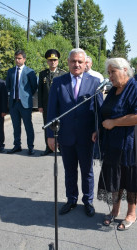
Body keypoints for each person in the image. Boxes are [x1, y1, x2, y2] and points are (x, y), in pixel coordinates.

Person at [95, 57, 137, 230]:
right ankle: (115, 210)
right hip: (113, 142)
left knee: (130, 178)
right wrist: (100, 129)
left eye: (113, 72)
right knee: (114, 177)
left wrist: (114, 123)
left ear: (125, 70)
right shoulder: (113, 90)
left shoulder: (135, 88)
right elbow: (106, 113)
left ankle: (131, 214)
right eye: (108, 72)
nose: (109, 76)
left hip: (131, 143)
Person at [47, 48, 103, 217]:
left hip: (87, 136)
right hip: (66, 136)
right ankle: (71, 199)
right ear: (68, 62)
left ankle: (88, 201)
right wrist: (50, 136)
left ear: (85, 63)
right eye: (73, 61)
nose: (76, 64)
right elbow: (51, 110)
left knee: (87, 171)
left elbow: (99, 110)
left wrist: (98, 130)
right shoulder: (58, 82)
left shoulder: (94, 82)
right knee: (69, 171)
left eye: (80, 61)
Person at [6, 50, 38, 155]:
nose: (17, 60)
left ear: (24, 59)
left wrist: (25, 96)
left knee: (28, 126)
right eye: (15, 58)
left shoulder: (30, 72)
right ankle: (17, 145)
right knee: (16, 126)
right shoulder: (10, 71)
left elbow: (34, 87)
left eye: (19, 58)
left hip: (25, 103)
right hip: (14, 103)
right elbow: (8, 86)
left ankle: (30, 147)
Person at [38, 49, 66, 156]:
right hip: (46, 106)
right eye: (50, 60)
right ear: (47, 62)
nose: (53, 62)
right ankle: (48, 147)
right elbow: (40, 91)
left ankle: (61, 147)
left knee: (61, 126)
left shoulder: (63, 74)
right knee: (47, 125)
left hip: (59, 106)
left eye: (55, 60)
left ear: (58, 61)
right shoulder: (42, 74)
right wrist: (40, 105)